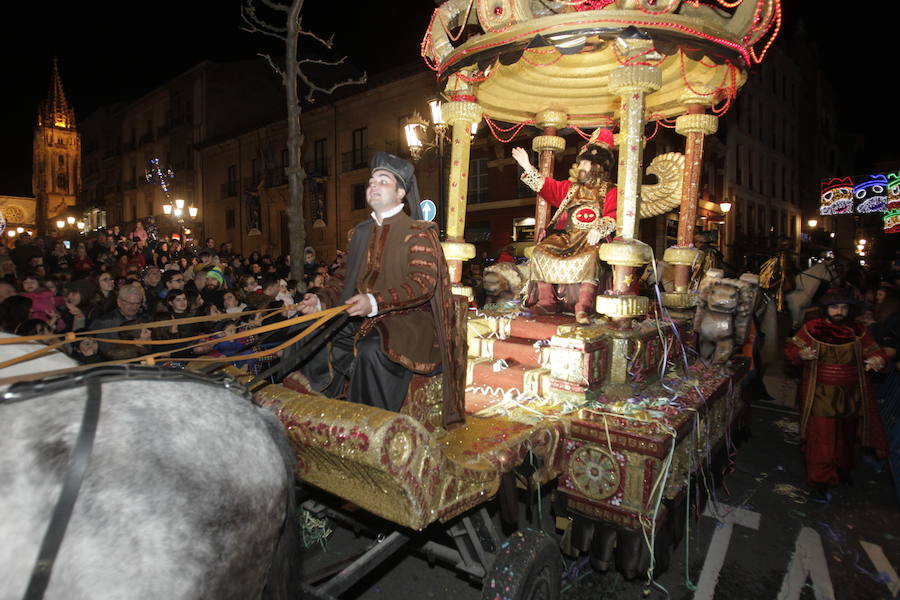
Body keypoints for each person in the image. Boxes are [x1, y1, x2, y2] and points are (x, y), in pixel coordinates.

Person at [297, 151, 464, 426]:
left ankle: (368, 428)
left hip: (408, 321)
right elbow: (342, 280)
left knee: (373, 348)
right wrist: (319, 301)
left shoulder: (419, 231)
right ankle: (317, 413)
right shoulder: (359, 233)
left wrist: (374, 302)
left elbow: (422, 284)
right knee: (308, 327)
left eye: (383, 181)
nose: (373, 185)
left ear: (400, 192)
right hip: (361, 315)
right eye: (371, 181)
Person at [784, 288, 889, 500]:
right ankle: (820, 481)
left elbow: (876, 352)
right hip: (821, 395)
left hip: (852, 395)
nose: (839, 311)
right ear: (826, 309)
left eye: (843, 307)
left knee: (847, 436)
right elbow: (791, 350)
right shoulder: (812, 328)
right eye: (834, 307)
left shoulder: (858, 331)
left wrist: (878, 360)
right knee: (821, 438)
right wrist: (801, 354)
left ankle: (843, 469)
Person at [512, 129, 617, 323]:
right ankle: (547, 301)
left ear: (598, 165)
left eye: (585, 162)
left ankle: (583, 307)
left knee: (592, 255)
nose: (580, 166)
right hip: (566, 237)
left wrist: (599, 228)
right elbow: (546, 186)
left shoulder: (611, 190)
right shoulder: (570, 189)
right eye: (581, 162)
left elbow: (613, 215)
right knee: (540, 251)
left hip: (590, 239)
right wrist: (526, 165)